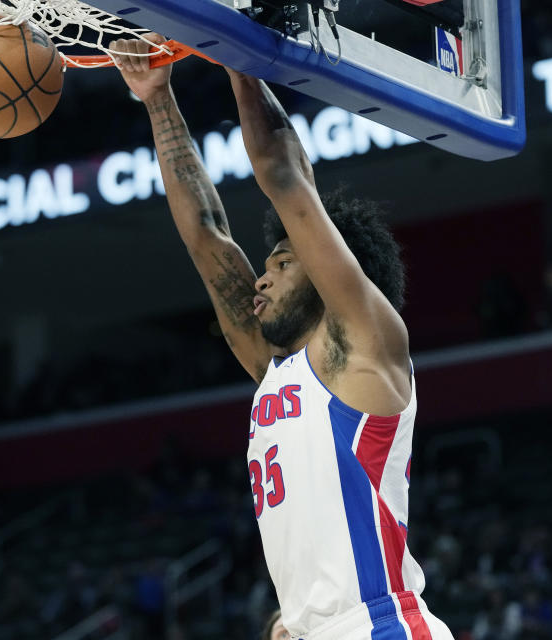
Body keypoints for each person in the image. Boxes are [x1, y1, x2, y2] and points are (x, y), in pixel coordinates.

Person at [112, 32, 453, 640]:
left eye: (280, 264)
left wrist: (235, 52)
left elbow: (286, 177)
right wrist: (157, 97)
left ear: (327, 271)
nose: (260, 279)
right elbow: (208, 236)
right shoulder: (279, 369)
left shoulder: (367, 347)